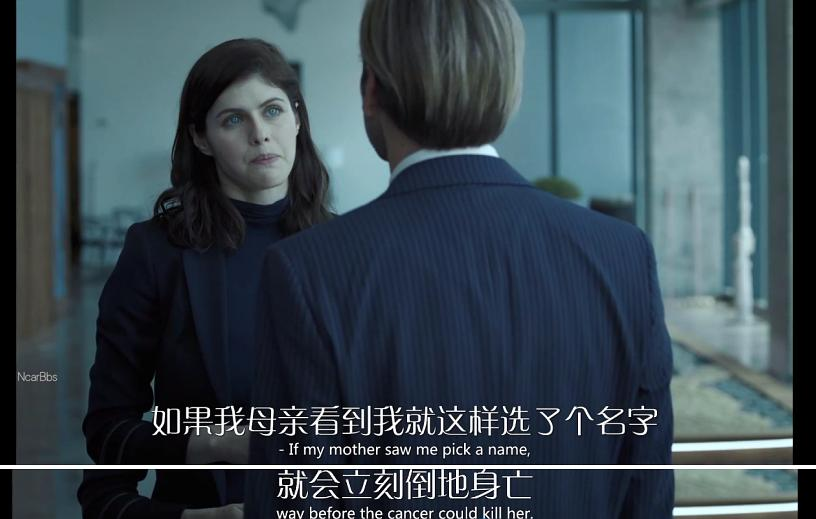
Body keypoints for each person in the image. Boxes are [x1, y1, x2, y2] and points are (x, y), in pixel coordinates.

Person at [246, 1, 673, 517]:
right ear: (510, 89)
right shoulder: (623, 255)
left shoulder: (307, 271)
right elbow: (646, 496)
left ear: (371, 89)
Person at [78, 38, 332, 519]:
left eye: (273, 110)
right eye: (233, 119)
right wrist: (214, 449)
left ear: (297, 118)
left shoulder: (344, 248)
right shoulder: (156, 252)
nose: (260, 134)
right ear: (201, 138)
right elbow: (109, 431)